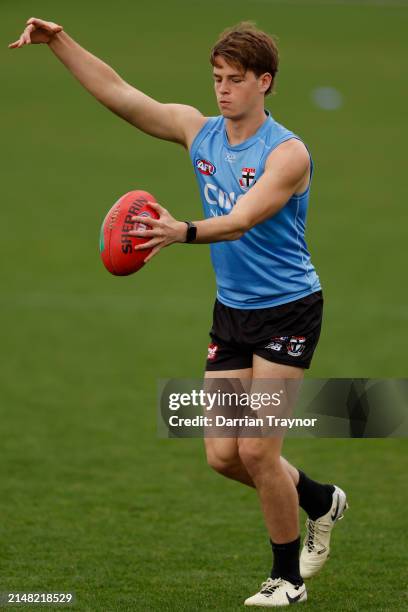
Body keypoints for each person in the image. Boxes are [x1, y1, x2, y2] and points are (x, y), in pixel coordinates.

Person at [9, 18, 348, 607]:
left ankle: (286, 579)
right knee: (223, 454)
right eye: (216, 77)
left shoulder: (287, 154)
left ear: (264, 82)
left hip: (289, 310)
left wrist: (180, 231)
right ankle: (320, 501)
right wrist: (58, 42)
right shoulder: (200, 131)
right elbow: (122, 95)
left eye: (235, 80)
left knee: (258, 450)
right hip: (234, 310)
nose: (222, 90)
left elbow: (243, 217)